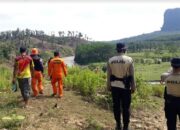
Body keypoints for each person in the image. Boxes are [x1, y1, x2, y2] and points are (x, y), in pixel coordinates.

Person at [107, 43, 136, 130]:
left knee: (116, 106)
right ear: (124, 50)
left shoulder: (111, 60)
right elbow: (132, 75)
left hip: (114, 86)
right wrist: (133, 86)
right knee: (126, 107)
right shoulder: (129, 60)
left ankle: (118, 124)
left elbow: (108, 75)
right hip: (126, 87)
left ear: (117, 50)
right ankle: (126, 126)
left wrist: (108, 85)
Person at [161, 57, 180, 130]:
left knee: (171, 124)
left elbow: (166, 74)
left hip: (170, 102)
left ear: (172, 66)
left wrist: (171, 70)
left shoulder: (165, 76)